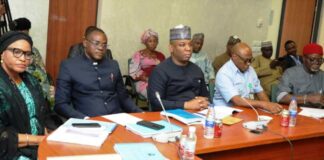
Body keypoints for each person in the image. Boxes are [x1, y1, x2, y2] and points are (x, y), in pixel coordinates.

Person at [55, 27, 142, 119]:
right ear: (85, 43)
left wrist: (141, 113)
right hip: (89, 121)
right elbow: (61, 104)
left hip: (117, 118)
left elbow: (123, 97)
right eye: (96, 43)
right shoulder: (69, 66)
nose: (101, 48)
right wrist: (84, 119)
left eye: (104, 45)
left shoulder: (113, 65)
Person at [0, 31, 61, 159]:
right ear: (2, 53)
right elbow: (3, 136)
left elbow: (44, 112)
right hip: (10, 151)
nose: (23, 58)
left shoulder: (31, 80)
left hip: (39, 144)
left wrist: (49, 134)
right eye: (17, 52)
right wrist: (40, 140)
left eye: (28, 54)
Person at [148, 25, 209, 111]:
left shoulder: (196, 70)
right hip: (169, 116)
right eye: (182, 45)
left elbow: (206, 96)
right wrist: (186, 105)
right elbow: (156, 102)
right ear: (171, 48)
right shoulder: (160, 71)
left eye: (190, 45)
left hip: (197, 114)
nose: (188, 48)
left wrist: (203, 101)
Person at [213, 42, 282, 114]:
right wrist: (263, 104)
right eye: (245, 60)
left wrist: (270, 107)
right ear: (234, 57)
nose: (248, 63)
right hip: (226, 114)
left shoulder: (250, 70)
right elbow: (237, 101)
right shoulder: (224, 73)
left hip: (245, 111)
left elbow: (260, 92)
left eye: (250, 60)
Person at [9, 17, 54, 108]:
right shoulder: (7, 51)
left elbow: (42, 71)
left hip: (37, 85)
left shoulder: (33, 50)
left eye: (26, 34)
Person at [277, 43, 324, 108]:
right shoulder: (290, 73)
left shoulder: (322, 75)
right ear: (304, 59)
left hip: (318, 114)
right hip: (296, 112)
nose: (316, 63)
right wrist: (307, 99)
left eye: (320, 60)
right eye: (312, 59)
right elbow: (281, 97)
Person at [129, 29, 165, 98]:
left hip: (159, 81)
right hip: (143, 81)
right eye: (150, 41)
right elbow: (133, 72)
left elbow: (165, 71)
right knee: (155, 93)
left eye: (155, 41)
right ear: (145, 42)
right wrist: (148, 79)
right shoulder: (138, 55)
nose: (153, 43)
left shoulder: (161, 55)